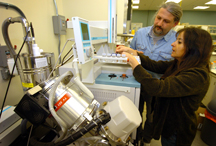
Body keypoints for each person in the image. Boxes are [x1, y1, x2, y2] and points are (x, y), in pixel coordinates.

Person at [116, 27, 213, 146]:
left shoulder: (197, 75)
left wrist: (134, 63)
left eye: (179, 42)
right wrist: (134, 53)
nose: (173, 44)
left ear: (193, 48)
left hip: (177, 130)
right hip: (169, 126)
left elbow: (157, 88)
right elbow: (155, 66)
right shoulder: (181, 64)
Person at [129, 2, 183, 146]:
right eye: (158, 18)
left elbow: (172, 67)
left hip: (159, 87)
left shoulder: (177, 41)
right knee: (135, 112)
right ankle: (136, 137)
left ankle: (146, 138)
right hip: (137, 84)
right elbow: (131, 55)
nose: (159, 23)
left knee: (153, 117)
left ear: (175, 23)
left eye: (166, 21)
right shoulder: (140, 33)